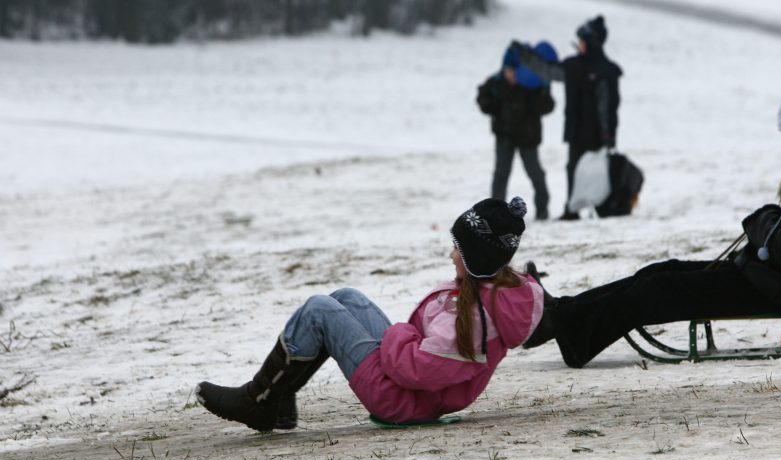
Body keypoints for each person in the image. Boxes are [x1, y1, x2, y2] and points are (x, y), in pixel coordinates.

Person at [523, 90, 781, 368]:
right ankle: (563, 318)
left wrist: (763, 219)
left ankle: (565, 327)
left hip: (774, 289)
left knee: (660, 286)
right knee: (661, 272)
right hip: (773, 282)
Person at [195, 197, 545, 430]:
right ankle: (281, 400)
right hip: (410, 381)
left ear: (476, 258)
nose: (451, 256)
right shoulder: (493, 291)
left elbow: (416, 370)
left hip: (402, 399)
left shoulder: (474, 318)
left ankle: (259, 399)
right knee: (346, 297)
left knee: (319, 310)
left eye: (458, 249)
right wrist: (404, 338)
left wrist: (398, 336)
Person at [513, 15, 622, 220]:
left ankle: (600, 208)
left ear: (591, 42)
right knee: (573, 169)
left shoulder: (605, 71)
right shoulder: (573, 66)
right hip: (576, 132)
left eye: (581, 41)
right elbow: (549, 71)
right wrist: (525, 56)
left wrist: (609, 136)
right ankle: (572, 210)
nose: (578, 44)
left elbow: (608, 107)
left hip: (597, 135)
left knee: (593, 173)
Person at [477, 43, 556, 220]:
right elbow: (483, 99)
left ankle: (542, 211)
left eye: (515, 70)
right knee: (501, 174)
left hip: (528, 137)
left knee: (536, 173)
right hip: (504, 137)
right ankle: (494, 214)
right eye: (508, 70)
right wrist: (490, 104)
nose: (512, 74)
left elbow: (548, 106)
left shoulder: (533, 85)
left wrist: (543, 91)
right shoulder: (496, 82)